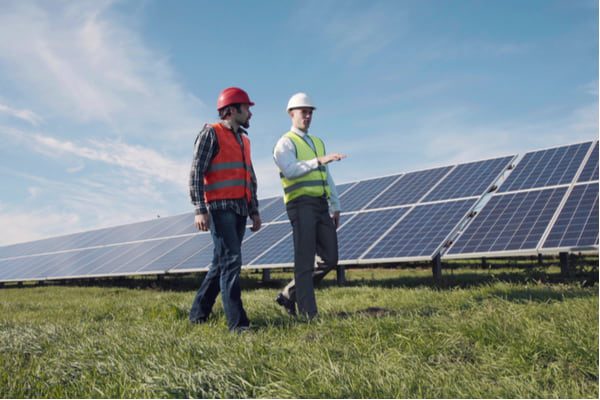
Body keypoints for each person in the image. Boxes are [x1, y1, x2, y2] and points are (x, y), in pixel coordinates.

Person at [188, 87, 262, 332]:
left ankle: (198, 314)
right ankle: (238, 325)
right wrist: (200, 208)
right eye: (246, 108)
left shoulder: (244, 139)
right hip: (220, 208)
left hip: (240, 208)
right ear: (232, 110)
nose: (250, 113)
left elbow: (249, 177)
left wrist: (254, 210)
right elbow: (197, 172)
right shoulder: (211, 133)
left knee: (221, 263)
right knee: (231, 261)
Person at [273, 92, 346, 319]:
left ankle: (289, 293)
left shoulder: (317, 142)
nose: (308, 116)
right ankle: (308, 315)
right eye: (303, 112)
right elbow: (291, 170)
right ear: (291, 114)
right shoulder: (285, 143)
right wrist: (318, 161)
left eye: (310, 112)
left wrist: (335, 204)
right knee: (304, 261)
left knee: (330, 259)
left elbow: (326, 175)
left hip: (321, 205)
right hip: (300, 204)